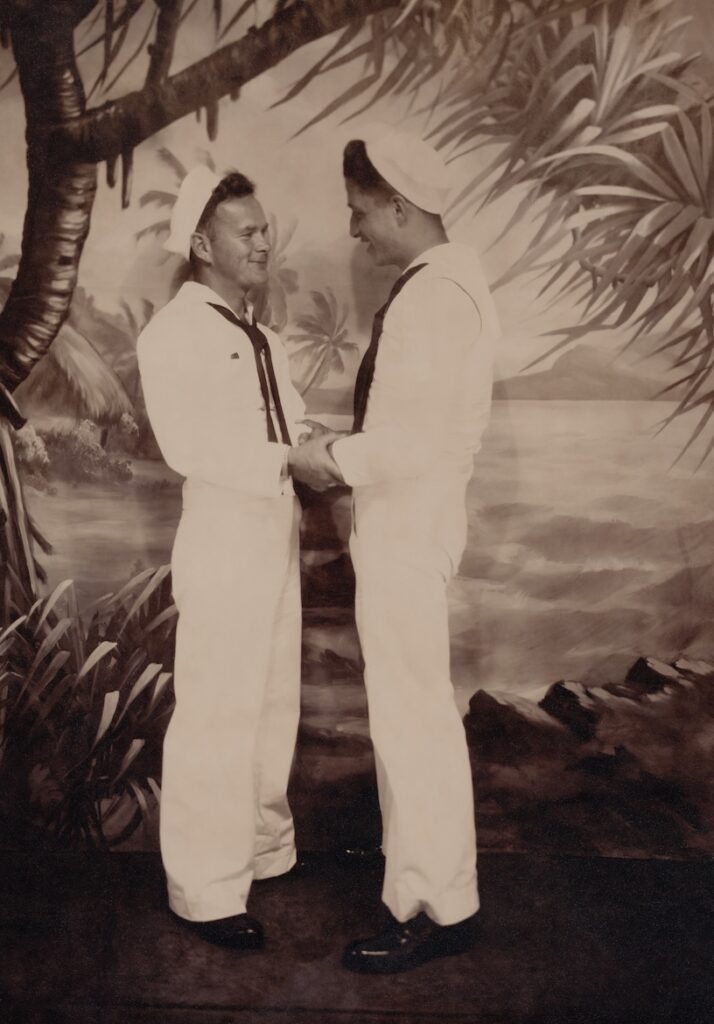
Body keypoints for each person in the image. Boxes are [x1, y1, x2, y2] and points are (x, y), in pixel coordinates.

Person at [289, 126, 499, 973]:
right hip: (408, 524)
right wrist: (352, 445)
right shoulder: (443, 284)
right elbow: (414, 429)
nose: (354, 230)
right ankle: (418, 884)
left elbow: (412, 444)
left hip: (409, 531)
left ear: (400, 206)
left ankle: (437, 907)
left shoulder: (434, 297)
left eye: (360, 211)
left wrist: (325, 457)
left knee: (415, 723)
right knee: (411, 718)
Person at [137, 167, 309, 950]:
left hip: (275, 529)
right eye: (247, 231)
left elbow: (293, 425)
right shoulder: (173, 333)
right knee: (216, 708)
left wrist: (318, 455)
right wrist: (292, 462)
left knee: (274, 698)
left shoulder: (261, 334)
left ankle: (265, 852)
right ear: (202, 244)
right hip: (222, 530)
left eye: (265, 229)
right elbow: (189, 445)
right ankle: (205, 890)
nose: (263, 242)